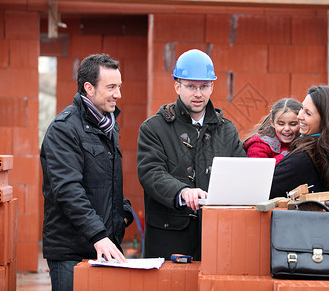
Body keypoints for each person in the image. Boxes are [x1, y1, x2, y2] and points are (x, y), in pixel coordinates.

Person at [137, 49, 246, 261]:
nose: (198, 94)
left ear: (212, 87)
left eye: (204, 87)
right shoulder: (154, 128)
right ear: (177, 86)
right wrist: (182, 191)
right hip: (169, 240)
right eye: (191, 87)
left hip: (215, 239)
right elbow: (151, 172)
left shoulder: (227, 130)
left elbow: (240, 175)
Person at [40, 54, 133, 291]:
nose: (118, 94)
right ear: (89, 88)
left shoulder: (108, 126)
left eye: (119, 86)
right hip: (72, 253)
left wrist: (123, 213)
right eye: (111, 87)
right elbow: (68, 191)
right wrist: (98, 235)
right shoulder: (64, 130)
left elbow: (107, 182)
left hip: (103, 246)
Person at [270, 85, 329, 201]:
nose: (299, 116)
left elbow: (262, 190)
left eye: (308, 113)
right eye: (301, 108)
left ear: (326, 121)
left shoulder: (304, 158)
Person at [243, 98, 302, 164]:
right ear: (272, 123)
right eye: (281, 124)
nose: (287, 128)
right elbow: (259, 170)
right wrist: (288, 154)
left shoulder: (305, 141)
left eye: (293, 124)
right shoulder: (258, 145)